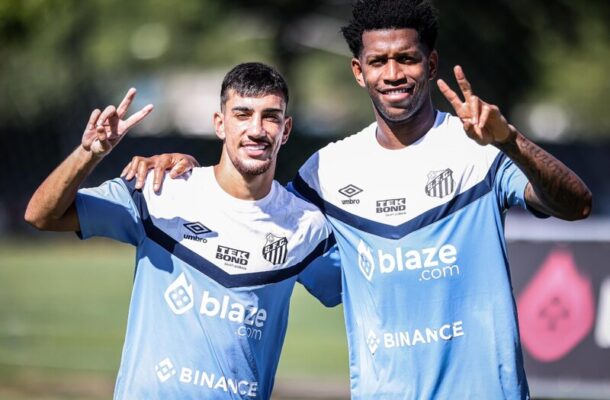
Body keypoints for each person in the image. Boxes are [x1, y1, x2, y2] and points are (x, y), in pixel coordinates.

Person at [129, 0, 592, 398]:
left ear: (430, 66)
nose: (393, 74)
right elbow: (254, 215)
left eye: (407, 59)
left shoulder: (480, 149)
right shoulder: (327, 171)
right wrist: (193, 171)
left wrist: (509, 139)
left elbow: (575, 205)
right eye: (378, 61)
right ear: (358, 70)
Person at [24, 62, 341, 399]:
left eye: (271, 116)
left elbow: (367, 289)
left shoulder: (306, 226)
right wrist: (90, 153)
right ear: (219, 124)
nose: (257, 129)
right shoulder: (159, 189)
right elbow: (42, 215)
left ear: (286, 129)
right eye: (242, 114)